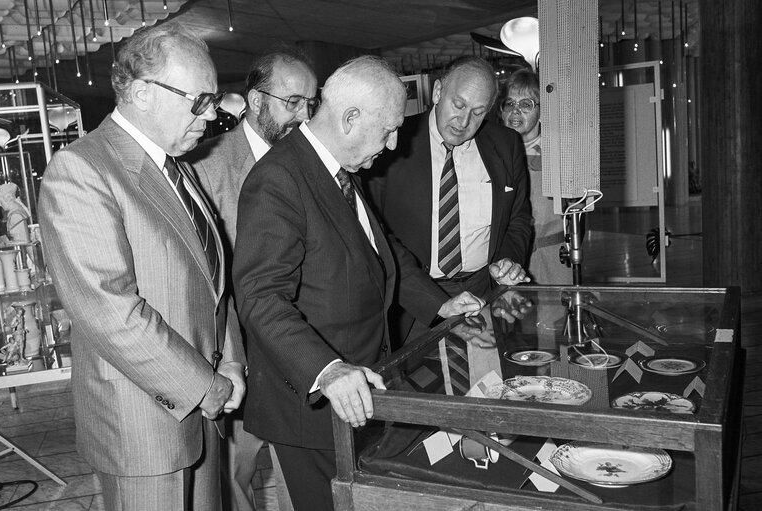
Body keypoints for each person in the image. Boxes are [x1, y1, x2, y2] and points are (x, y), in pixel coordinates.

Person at [232, 55, 484, 511]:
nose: (391, 146)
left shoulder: (338, 169)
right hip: (314, 405)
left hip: (360, 389)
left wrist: (440, 304)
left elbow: (382, 252)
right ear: (350, 118)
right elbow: (260, 297)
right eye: (387, 130)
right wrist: (325, 369)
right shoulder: (278, 180)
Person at [38, 23, 245, 511]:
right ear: (141, 93)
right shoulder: (81, 170)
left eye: (213, 100)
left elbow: (214, 282)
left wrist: (231, 359)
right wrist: (205, 386)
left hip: (204, 406)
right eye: (199, 101)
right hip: (144, 427)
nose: (212, 115)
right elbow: (110, 311)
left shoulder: (179, 167)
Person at [188, 47, 317, 511]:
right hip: (241, 353)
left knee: (302, 479)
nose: (305, 116)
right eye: (293, 102)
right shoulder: (205, 166)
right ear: (256, 101)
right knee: (236, 476)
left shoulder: (313, 162)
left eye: (311, 104)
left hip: (304, 349)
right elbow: (204, 279)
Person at [366, 56, 533, 343]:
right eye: (459, 105)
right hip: (412, 304)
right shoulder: (392, 143)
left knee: (485, 384)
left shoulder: (505, 144)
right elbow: (376, 236)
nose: (464, 121)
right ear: (438, 91)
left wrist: (507, 260)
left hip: (483, 297)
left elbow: (518, 218)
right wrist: (433, 302)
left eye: (478, 112)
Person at [501, 68, 572, 284]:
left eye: (526, 104)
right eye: (509, 104)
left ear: (542, 111)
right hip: (507, 262)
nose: (515, 112)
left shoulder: (559, 155)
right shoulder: (491, 154)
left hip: (551, 262)